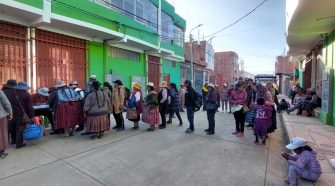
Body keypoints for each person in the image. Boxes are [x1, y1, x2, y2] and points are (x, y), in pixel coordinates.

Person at [4, 82, 34, 148]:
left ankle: (6, 143)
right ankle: (19, 143)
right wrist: (31, 116)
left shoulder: (10, 93)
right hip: (21, 114)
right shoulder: (26, 94)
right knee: (20, 128)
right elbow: (29, 107)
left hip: (10, 113)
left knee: (9, 128)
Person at [0, 90, 13, 158]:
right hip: (1, 115)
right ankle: (1, 150)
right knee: (2, 132)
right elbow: (6, 103)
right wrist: (10, 113)